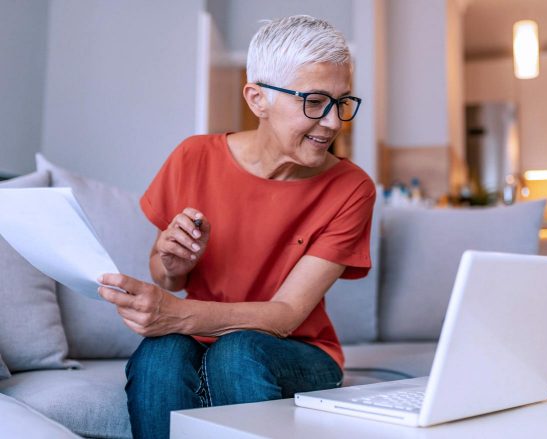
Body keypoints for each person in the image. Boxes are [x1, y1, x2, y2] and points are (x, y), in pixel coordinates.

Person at [98, 15, 375, 439]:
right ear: (257, 98)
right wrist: (172, 264)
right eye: (315, 102)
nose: (334, 122)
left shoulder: (351, 188)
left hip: (300, 349)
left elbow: (285, 316)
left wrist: (174, 314)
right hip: (200, 336)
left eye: (342, 103)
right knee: (160, 352)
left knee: (239, 351)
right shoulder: (193, 157)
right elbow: (165, 274)